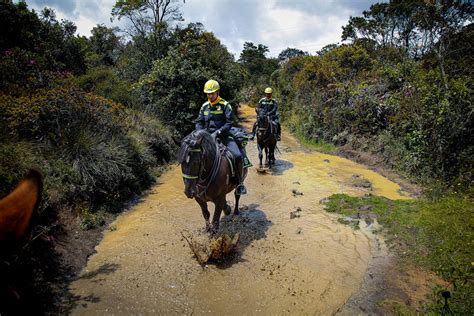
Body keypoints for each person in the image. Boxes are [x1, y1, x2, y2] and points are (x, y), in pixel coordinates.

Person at [195, 79, 250, 195]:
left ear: (217, 92)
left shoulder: (225, 105)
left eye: (212, 93)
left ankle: (239, 183)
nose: (210, 96)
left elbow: (229, 123)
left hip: (224, 136)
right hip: (207, 138)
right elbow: (199, 121)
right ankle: (194, 183)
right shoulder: (204, 106)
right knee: (193, 155)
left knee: (238, 155)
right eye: (208, 93)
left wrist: (218, 132)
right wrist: (200, 132)